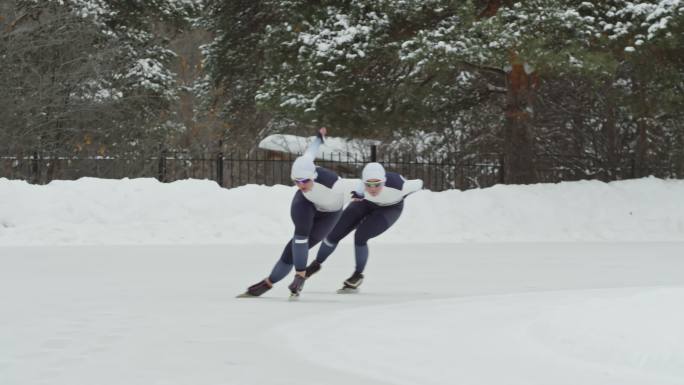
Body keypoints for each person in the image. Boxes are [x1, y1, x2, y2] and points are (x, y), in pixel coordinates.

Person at [238, 127, 357, 299]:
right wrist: (319, 138)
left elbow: (366, 184)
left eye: (304, 181)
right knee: (298, 239)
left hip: (330, 213)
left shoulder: (338, 185)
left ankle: (287, 279)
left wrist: (361, 192)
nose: (300, 185)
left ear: (313, 177)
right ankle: (277, 280)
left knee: (302, 246)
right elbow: (312, 150)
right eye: (296, 181)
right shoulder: (304, 165)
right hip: (306, 204)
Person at [304, 162, 423, 292]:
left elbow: (419, 183)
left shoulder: (400, 186)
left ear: (384, 181)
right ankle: (316, 264)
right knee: (334, 233)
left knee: (361, 236)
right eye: (368, 185)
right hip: (364, 202)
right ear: (362, 183)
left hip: (389, 208)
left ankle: (357, 275)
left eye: (377, 184)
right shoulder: (355, 186)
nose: (373, 189)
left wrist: (405, 192)